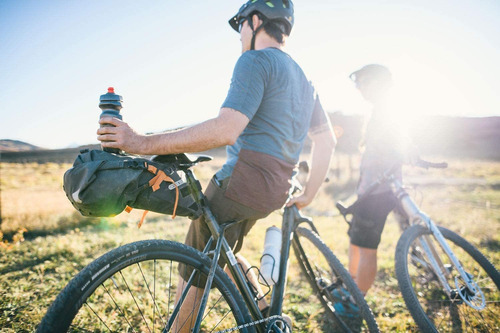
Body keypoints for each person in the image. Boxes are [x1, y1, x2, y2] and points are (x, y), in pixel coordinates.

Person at [97, 0, 336, 331]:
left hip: (241, 186)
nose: (239, 35)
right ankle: (266, 316)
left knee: (194, 265)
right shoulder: (305, 80)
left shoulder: (255, 61)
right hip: (275, 192)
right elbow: (327, 141)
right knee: (222, 248)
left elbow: (226, 129)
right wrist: (308, 195)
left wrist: (141, 143)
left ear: (255, 20)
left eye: (240, 24)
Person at [346, 64, 411, 296]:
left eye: (362, 82)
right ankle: (350, 287)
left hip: (378, 192)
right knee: (356, 240)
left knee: (366, 248)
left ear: (377, 83)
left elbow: (399, 145)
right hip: (369, 190)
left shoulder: (387, 112)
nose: (359, 88)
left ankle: (356, 300)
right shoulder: (379, 111)